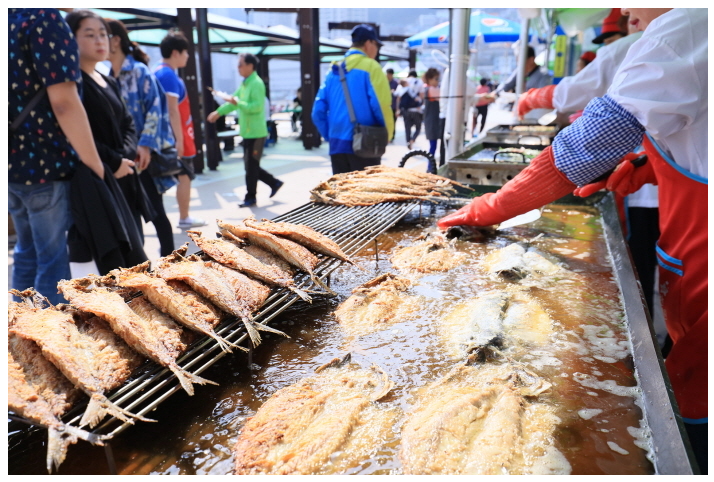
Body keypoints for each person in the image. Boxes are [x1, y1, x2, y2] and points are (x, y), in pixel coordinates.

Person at [439, 9, 707, 473]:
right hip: (690, 238)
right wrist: (649, 166)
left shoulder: (689, 24)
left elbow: (594, 138)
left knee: (697, 396)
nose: (624, 11)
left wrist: (493, 207)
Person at [515, 14, 660, 320]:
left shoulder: (653, 40)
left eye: (613, 35)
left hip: (669, 194)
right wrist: (655, 168)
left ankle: (645, 326)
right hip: (662, 178)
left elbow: (597, 119)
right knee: (651, 264)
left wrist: (501, 203)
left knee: (643, 261)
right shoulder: (657, 39)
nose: (625, 12)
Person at [8, 8, 105, 305]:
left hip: (12, 165)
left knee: (27, 251)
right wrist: (95, 165)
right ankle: (50, 341)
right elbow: (64, 102)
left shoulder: (11, 17)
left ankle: (18, 329)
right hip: (45, 163)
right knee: (52, 259)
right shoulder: (45, 18)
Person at [64, 9, 150, 275]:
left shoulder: (107, 79)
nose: (100, 41)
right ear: (69, 39)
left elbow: (128, 123)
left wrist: (123, 157)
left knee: (135, 251)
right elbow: (77, 134)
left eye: (103, 34)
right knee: (117, 260)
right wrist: (113, 162)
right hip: (97, 179)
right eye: (89, 34)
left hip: (123, 174)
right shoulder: (73, 83)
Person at [106, 18, 176, 259]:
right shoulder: (104, 74)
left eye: (100, 35)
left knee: (155, 212)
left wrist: (145, 145)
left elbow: (157, 110)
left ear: (115, 40)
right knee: (129, 215)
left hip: (142, 157)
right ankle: (139, 269)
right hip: (119, 157)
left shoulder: (139, 71)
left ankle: (171, 262)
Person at [311, 24, 394, 175]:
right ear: (368, 43)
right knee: (366, 196)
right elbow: (381, 105)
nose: (377, 50)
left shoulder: (334, 70)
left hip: (337, 145)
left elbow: (317, 111)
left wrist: (330, 135)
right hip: (365, 144)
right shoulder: (371, 67)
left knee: (342, 194)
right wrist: (387, 135)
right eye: (376, 45)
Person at [207, 53, 283, 208]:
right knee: (250, 166)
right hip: (248, 132)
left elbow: (256, 107)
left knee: (251, 167)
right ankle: (273, 183)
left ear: (250, 66)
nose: (238, 68)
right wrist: (218, 112)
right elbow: (232, 102)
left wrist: (238, 102)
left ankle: (251, 197)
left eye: (241, 64)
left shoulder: (256, 83)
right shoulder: (245, 83)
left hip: (256, 132)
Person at [154, 30, 206, 230]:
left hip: (164, 137)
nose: (188, 56)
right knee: (184, 177)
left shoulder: (157, 71)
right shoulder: (168, 75)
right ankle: (184, 217)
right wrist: (180, 140)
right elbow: (172, 110)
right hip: (177, 137)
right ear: (175, 52)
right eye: (185, 52)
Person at [398, 70, 424, 150]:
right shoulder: (419, 82)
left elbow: (398, 97)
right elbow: (422, 95)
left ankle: (408, 142)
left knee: (407, 127)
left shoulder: (403, 82)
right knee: (418, 127)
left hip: (406, 110)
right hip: (416, 109)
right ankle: (412, 140)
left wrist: (398, 109)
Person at [421, 68, 441, 160]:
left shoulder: (428, 88)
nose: (437, 81)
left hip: (432, 120)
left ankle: (430, 166)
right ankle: (430, 167)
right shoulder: (432, 89)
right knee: (433, 146)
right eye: (436, 79)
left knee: (433, 145)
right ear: (430, 79)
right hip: (432, 121)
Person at [386, 68, 399, 141]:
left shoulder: (395, 83)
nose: (388, 75)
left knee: (393, 121)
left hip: (393, 105)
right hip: (386, 105)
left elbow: (398, 95)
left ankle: (392, 136)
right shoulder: (384, 82)